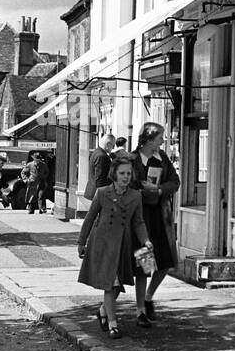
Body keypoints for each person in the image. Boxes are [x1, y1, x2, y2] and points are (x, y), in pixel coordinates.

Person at [77, 152, 153, 337]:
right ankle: (113, 325)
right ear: (114, 174)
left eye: (128, 173)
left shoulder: (135, 196)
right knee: (110, 284)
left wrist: (146, 240)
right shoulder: (102, 193)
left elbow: (138, 222)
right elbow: (90, 217)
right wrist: (81, 241)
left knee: (117, 285)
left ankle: (103, 311)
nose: (126, 177)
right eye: (122, 173)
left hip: (123, 245)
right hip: (103, 244)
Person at [130, 122, 180, 326]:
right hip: (142, 218)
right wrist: (143, 191)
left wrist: (159, 190)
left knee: (166, 261)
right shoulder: (133, 160)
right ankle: (141, 309)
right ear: (149, 139)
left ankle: (149, 296)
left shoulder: (163, 159)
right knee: (144, 264)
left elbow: (175, 182)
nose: (163, 140)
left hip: (161, 216)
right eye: (160, 137)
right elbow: (128, 184)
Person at [83, 130, 113, 203]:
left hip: (94, 191)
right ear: (108, 144)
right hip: (98, 193)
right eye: (113, 145)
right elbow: (100, 178)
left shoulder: (96, 152)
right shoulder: (102, 156)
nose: (113, 148)